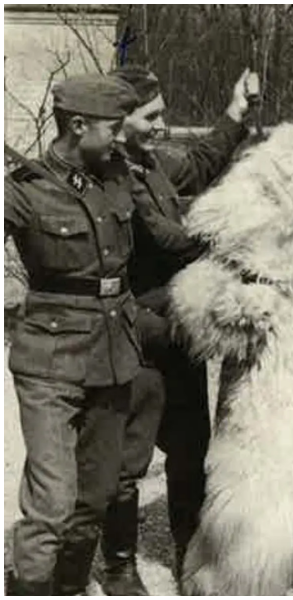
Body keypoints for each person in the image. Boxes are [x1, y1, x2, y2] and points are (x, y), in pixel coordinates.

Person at [96, 65, 255, 593]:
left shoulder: (152, 163)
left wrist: (236, 112)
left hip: (180, 329)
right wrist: (236, 234)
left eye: (163, 114)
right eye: (152, 116)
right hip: (138, 331)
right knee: (129, 459)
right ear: (118, 122)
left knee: (190, 453)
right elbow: (165, 238)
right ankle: (118, 565)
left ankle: (191, 555)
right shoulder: (112, 175)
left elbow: (202, 161)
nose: (162, 125)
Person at [3, 74, 141, 595]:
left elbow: (193, 169)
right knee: (52, 504)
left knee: (95, 496)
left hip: (111, 353)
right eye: (114, 127)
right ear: (78, 125)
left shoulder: (118, 175)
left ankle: (68, 587)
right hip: (50, 359)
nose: (121, 137)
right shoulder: (24, 190)